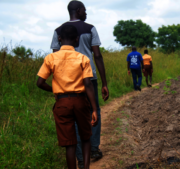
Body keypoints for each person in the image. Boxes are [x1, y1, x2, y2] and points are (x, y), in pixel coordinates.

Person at [50, 1, 109, 168]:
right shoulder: (90, 28)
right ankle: (94, 149)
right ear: (78, 10)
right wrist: (104, 83)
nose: (86, 13)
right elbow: (97, 56)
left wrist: (58, 85)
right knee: (92, 111)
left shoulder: (58, 31)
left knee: (73, 116)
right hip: (89, 78)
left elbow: (56, 58)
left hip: (67, 82)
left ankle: (79, 156)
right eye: (85, 10)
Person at [36, 25, 98, 169]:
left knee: (70, 144)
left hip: (62, 103)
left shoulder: (50, 58)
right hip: (80, 102)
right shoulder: (83, 58)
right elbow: (88, 84)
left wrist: (56, 91)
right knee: (86, 137)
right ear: (77, 40)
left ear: (59, 39)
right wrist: (94, 109)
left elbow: (40, 82)